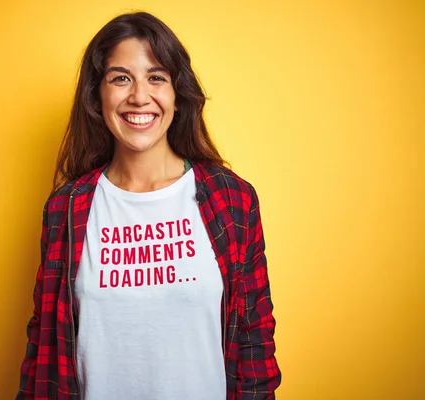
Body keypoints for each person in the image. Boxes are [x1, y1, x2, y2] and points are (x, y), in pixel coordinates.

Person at [16, 11, 281, 400]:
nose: (140, 96)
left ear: (177, 94)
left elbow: (255, 343)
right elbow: (44, 348)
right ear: (97, 94)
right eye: (121, 78)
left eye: (156, 77)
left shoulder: (232, 199)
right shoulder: (66, 209)